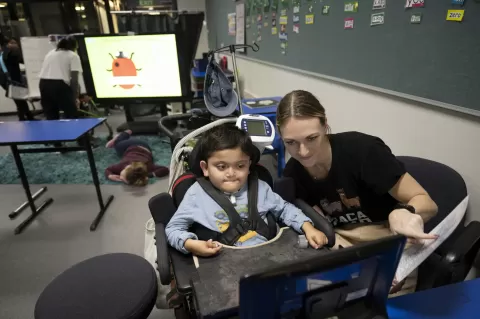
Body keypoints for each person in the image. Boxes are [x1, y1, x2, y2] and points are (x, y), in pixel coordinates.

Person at [277, 90, 439, 295]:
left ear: (325, 125)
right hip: (342, 244)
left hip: (389, 240)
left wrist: (405, 212)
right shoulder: (293, 173)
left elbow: (428, 203)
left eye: (311, 138)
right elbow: (316, 222)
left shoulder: (363, 151)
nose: (303, 152)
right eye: (291, 142)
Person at [165, 124, 328, 257]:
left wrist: (307, 226)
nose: (231, 173)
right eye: (221, 167)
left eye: (240, 166)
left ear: (249, 165)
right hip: (222, 263)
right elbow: (173, 229)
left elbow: (285, 209)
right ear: (205, 168)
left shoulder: (260, 188)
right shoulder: (196, 195)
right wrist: (191, 244)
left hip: (270, 255)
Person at [38, 36, 82, 120]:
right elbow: (74, 80)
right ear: (74, 46)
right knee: (71, 114)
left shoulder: (50, 53)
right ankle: (75, 132)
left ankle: (55, 132)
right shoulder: (73, 56)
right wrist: (75, 97)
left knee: (51, 115)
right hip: (59, 86)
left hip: (43, 84)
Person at [105, 130, 169, 186]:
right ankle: (124, 134)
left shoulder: (145, 167)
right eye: (122, 175)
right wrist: (109, 175)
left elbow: (165, 170)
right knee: (118, 146)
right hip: (134, 146)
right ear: (127, 167)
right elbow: (108, 169)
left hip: (140, 145)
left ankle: (125, 135)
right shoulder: (146, 166)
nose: (120, 178)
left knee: (118, 146)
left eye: (121, 176)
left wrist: (151, 174)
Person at [0, 37, 35, 121]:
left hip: (6, 80)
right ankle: (23, 118)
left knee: (20, 99)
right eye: (13, 43)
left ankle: (27, 116)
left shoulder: (3, 54)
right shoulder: (10, 53)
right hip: (12, 80)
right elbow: (23, 60)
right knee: (19, 99)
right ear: (8, 44)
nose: (16, 45)